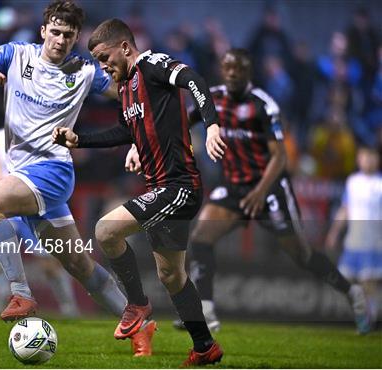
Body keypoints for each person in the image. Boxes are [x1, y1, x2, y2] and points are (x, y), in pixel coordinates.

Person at [0, 1, 154, 357]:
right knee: (78, 264)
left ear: (75, 39)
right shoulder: (15, 55)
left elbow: (131, 95)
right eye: (55, 32)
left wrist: (140, 138)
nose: (60, 40)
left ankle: (21, 294)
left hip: (52, 170)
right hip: (23, 174)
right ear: (44, 31)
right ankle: (140, 326)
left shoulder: (86, 72)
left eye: (68, 35)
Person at [53, 18, 226, 366]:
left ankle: (137, 304)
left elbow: (194, 80)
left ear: (126, 48)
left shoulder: (152, 65)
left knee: (106, 230)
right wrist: (79, 140)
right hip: (163, 188)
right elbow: (123, 130)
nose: (103, 66)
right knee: (171, 275)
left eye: (105, 57)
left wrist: (212, 126)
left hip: (179, 186)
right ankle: (205, 346)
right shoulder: (127, 87)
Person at [162, 48, 371, 334]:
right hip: (234, 187)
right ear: (223, 70)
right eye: (228, 67)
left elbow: (280, 157)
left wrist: (261, 191)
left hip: (270, 189)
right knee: (201, 237)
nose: (233, 72)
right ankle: (205, 312)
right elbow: (182, 122)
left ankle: (354, 295)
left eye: (239, 68)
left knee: (302, 255)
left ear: (249, 72)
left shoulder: (263, 105)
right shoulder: (212, 98)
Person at [0, 128, 79, 317]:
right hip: (9, 208)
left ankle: (68, 305)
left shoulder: (40, 131)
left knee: (49, 264)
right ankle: (4, 295)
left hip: (32, 205)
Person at [326, 145, 382, 326]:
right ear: (359, 159)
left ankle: (369, 318)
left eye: (372, 157)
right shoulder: (352, 182)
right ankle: (365, 311)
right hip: (353, 242)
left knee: (368, 282)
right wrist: (334, 233)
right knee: (345, 280)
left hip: (373, 242)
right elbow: (345, 209)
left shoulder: (380, 184)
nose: (368, 160)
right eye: (365, 157)